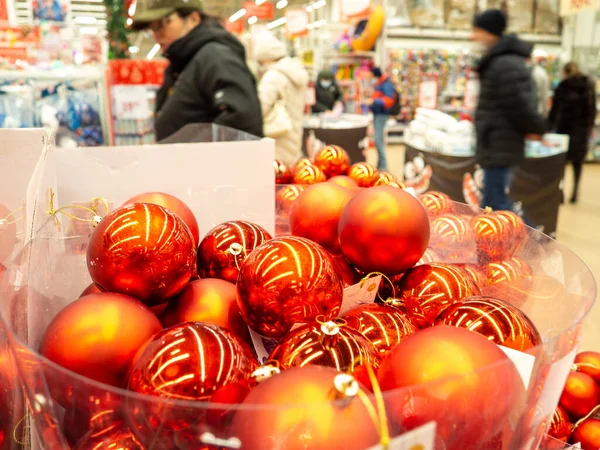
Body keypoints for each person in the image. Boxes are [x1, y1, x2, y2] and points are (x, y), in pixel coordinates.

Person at [131, 0, 263, 142]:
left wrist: (195, 156)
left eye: (162, 24)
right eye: (151, 28)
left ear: (193, 19)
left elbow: (242, 121)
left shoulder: (215, 57)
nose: (156, 35)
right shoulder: (183, 63)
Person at [472, 9, 546, 212]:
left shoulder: (504, 64)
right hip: (496, 143)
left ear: (490, 32)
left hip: (500, 144)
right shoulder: (499, 61)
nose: (473, 36)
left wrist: (539, 128)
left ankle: (535, 241)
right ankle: (496, 240)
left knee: (496, 205)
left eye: (477, 30)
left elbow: (519, 105)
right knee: (493, 203)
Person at [255, 33, 309, 165]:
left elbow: (260, 107)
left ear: (266, 58)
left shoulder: (273, 77)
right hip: (294, 132)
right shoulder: (295, 71)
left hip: (277, 135)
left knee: (278, 174)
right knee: (291, 169)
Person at [549, 62, 597, 204]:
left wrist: (549, 127)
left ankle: (561, 193)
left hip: (564, 131)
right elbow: (591, 110)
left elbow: (555, 111)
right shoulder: (588, 86)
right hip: (581, 132)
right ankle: (575, 192)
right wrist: (588, 128)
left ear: (565, 72)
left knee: (561, 164)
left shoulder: (563, 87)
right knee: (578, 164)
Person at [366, 67, 396, 171]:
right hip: (377, 114)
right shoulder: (379, 84)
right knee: (378, 139)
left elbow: (389, 100)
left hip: (381, 115)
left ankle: (383, 166)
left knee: (378, 140)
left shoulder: (385, 84)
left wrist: (374, 102)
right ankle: (380, 165)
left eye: (370, 76)